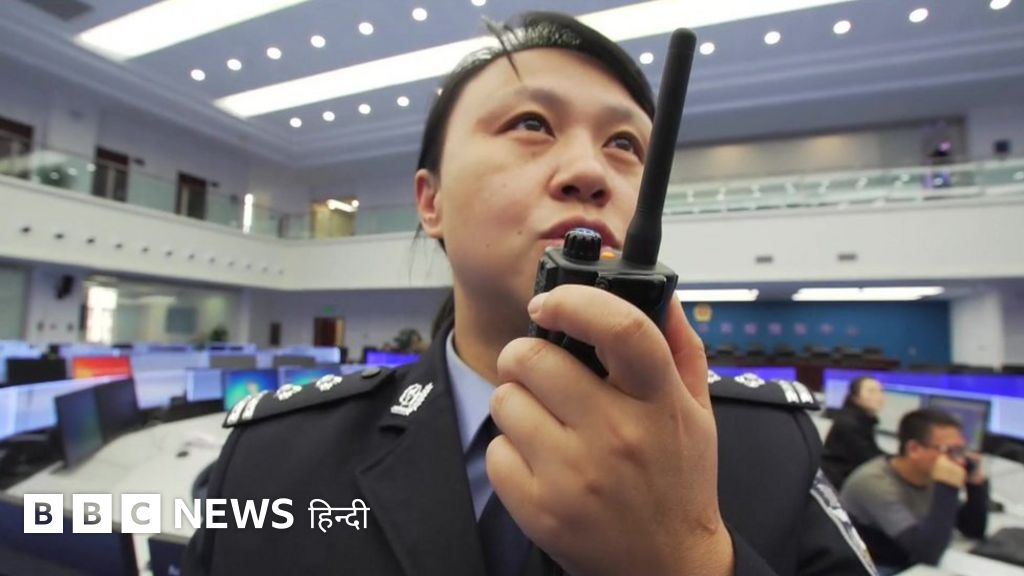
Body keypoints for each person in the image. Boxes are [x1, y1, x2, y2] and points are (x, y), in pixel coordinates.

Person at [184, 12, 876, 576]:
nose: (589, 172)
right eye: (531, 125)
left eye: (625, 144)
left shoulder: (767, 448)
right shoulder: (275, 461)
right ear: (431, 202)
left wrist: (689, 561)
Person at [840, 409, 988, 574]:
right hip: (873, 565)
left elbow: (973, 529)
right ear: (914, 449)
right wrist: (947, 487)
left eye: (961, 450)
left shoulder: (928, 474)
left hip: (909, 560)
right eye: (950, 451)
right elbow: (927, 553)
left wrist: (975, 483)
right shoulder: (874, 483)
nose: (959, 460)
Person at [822, 376, 887, 489]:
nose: (879, 396)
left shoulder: (861, 419)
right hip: (840, 484)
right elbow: (869, 458)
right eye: (871, 391)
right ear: (855, 397)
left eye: (880, 391)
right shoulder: (850, 424)